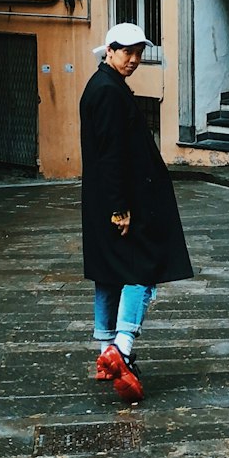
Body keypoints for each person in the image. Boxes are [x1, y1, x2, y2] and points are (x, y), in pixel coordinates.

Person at [79, 22, 193, 403]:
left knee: (108, 274)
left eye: (139, 53)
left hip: (106, 201)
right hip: (121, 204)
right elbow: (112, 154)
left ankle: (104, 352)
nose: (134, 59)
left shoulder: (101, 86)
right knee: (140, 269)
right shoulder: (109, 92)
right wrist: (119, 208)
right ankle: (122, 346)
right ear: (109, 50)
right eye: (127, 52)